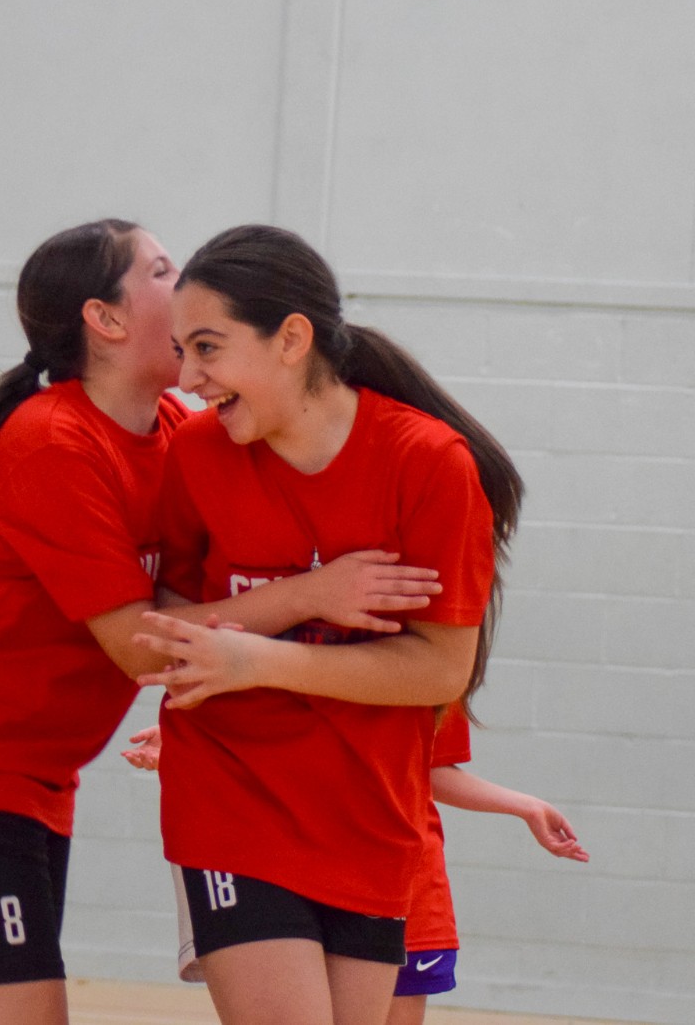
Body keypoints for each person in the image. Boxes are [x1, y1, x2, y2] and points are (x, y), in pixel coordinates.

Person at [0, 219, 442, 1025]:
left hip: (31, 785)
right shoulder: (53, 443)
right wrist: (311, 594)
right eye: (162, 270)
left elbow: (184, 614)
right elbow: (142, 645)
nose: (185, 279)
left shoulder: (174, 434)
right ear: (106, 319)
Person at [131, 224, 525, 1025]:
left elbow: (439, 670)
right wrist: (306, 596)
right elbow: (163, 629)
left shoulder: (429, 463)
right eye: (180, 352)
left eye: (206, 349)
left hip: (371, 817)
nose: (188, 378)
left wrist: (259, 661)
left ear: (292, 339)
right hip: (230, 802)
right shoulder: (197, 455)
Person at [120, 711, 589, 1024]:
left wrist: (525, 806)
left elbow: (431, 766)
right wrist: (198, 739)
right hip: (299, 869)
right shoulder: (306, 631)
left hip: (403, 884)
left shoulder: (438, 657)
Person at [388, 704, 587, 1025]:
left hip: (411, 888)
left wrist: (527, 807)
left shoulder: (445, 681)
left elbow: (429, 768)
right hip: (326, 878)